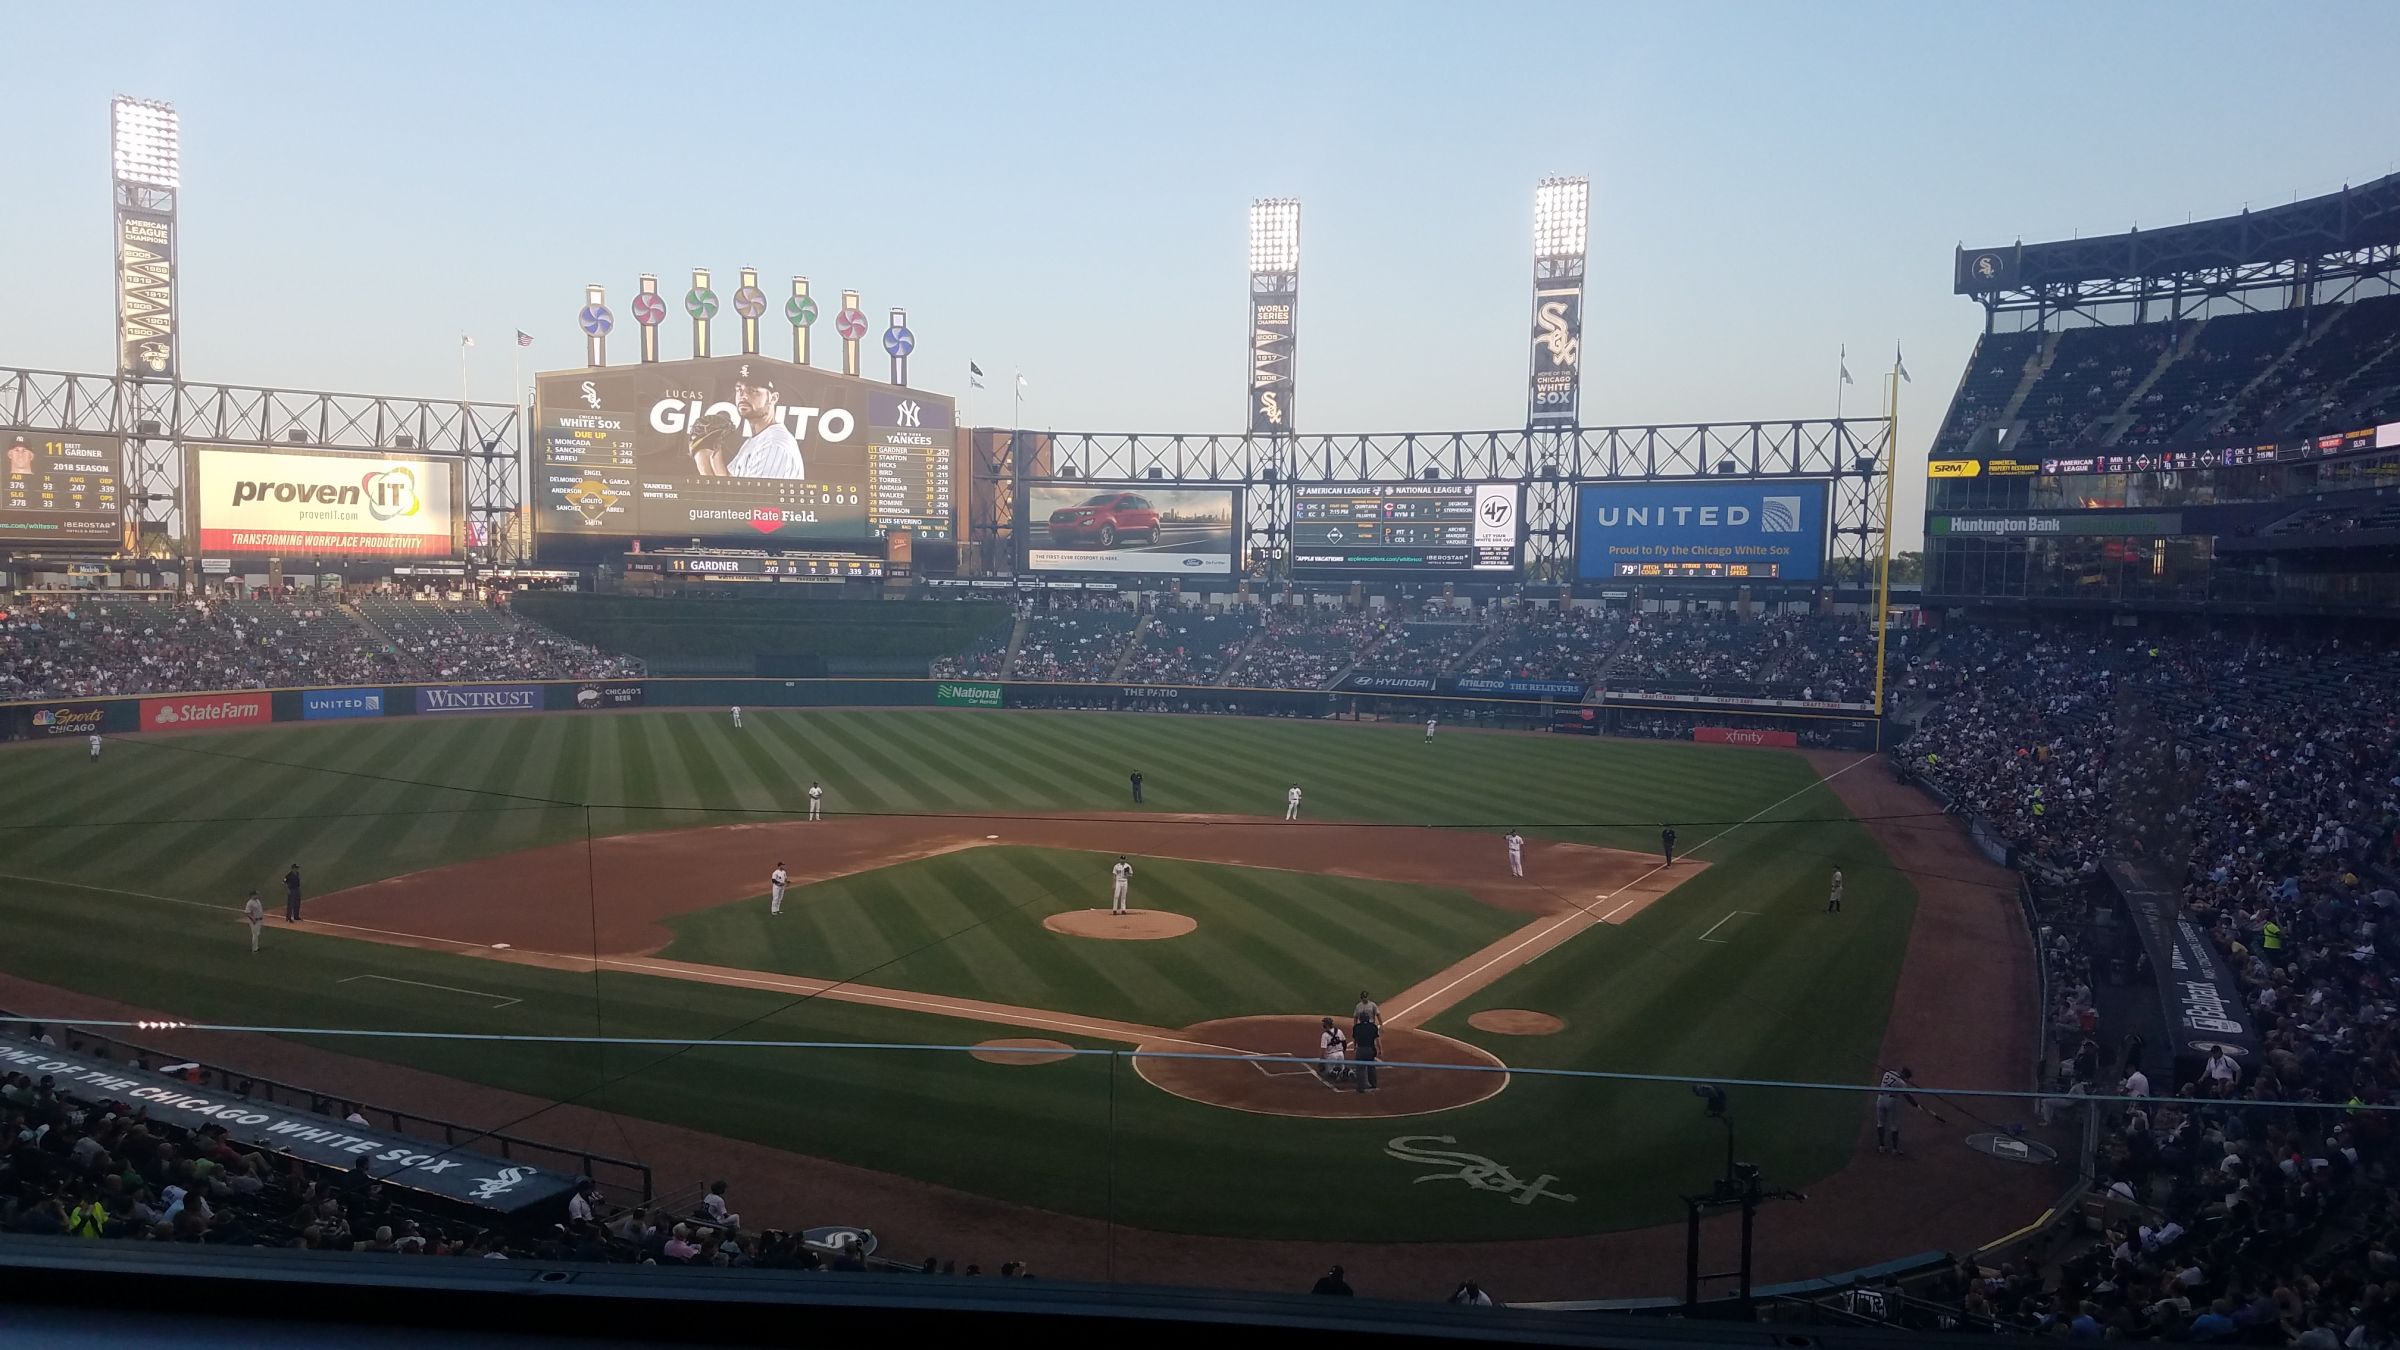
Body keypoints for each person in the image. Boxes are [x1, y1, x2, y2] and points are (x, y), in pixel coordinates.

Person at [724, 375, 805, 479]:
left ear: (773, 398)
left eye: (752, 390)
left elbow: (754, 495)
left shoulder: (773, 445)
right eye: (739, 389)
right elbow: (724, 484)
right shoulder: (756, 440)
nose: (742, 396)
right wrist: (708, 451)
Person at [1875, 1066, 1916, 1155]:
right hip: (1891, 1101)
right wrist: (1915, 1104)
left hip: (1880, 1099)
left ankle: (1881, 1147)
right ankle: (1894, 1149)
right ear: (1904, 1075)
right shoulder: (1901, 1083)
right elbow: (1907, 1096)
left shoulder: (1887, 1073)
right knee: (1894, 1125)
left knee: (1880, 1123)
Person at [1352, 1007, 1382, 1093]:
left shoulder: (1356, 1027)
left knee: (1360, 1069)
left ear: (1360, 1019)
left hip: (1361, 1049)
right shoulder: (1373, 1027)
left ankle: (1361, 1087)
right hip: (1370, 1050)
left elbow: (1355, 1039)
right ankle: (1373, 1084)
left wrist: (1355, 1047)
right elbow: (1377, 1039)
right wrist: (1380, 1049)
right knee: (1371, 1067)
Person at [1318, 1017, 1349, 1083]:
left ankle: (1335, 1075)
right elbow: (1344, 1043)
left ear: (1327, 1025)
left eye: (1324, 1023)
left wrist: (1321, 1059)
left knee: (1329, 1073)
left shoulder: (1325, 1035)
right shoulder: (1339, 1031)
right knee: (1342, 1069)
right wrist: (1343, 1052)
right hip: (1340, 1054)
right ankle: (1346, 1075)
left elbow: (1323, 1048)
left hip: (1331, 1056)